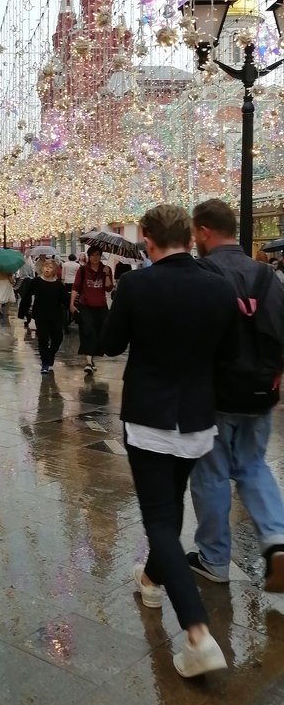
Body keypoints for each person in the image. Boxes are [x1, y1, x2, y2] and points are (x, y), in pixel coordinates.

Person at [102, 203, 238, 679]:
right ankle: (152, 579)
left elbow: (112, 344)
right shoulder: (219, 287)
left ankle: (198, 633)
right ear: (188, 235)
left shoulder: (137, 285)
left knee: (160, 520)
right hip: (197, 420)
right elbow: (229, 353)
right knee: (171, 505)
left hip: (149, 419)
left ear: (147, 238)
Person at [189, 199, 284, 592]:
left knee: (210, 474)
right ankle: (277, 541)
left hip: (214, 394)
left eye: (196, 232)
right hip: (260, 390)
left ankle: (213, 559)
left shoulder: (199, 274)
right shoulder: (267, 275)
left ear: (205, 231)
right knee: (253, 466)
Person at [70, 247, 113, 376]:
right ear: (89, 256)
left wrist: (106, 274)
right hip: (85, 305)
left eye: (98, 255)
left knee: (99, 333)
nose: (95, 258)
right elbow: (76, 287)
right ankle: (88, 362)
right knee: (88, 331)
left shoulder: (106, 269)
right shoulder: (83, 270)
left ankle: (92, 359)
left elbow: (109, 288)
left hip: (101, 306)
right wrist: (71, 303)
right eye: (93, 255)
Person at [30, 259, 70, 373]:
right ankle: (45, 363)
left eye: (50, 267)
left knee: (58, 338)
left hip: (56, 315)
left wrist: (73, 307)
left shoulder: (59, 285)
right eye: (46, 266)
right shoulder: (36, 281)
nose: (47, 268)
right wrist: (24, 312)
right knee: (43, 338)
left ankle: (50, 354)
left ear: (54, 271)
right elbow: (28, 294)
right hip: (40, 315)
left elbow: (65, 300)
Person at [60, 253, 80, 329]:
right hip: (74, 281)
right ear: (75, 258)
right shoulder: (77, 265)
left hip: (67, 281)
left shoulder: (65, 264)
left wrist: (63, 280)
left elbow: (63, 273)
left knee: (68, 294)